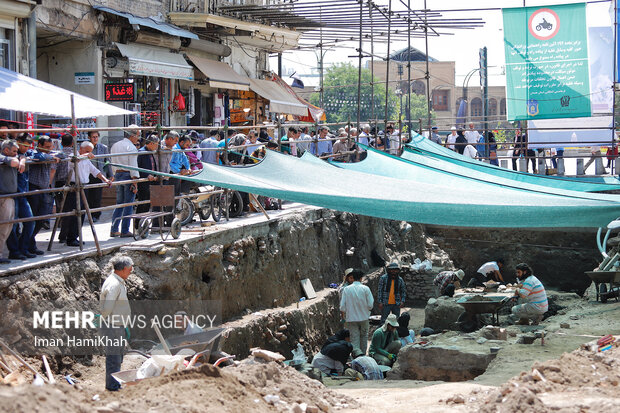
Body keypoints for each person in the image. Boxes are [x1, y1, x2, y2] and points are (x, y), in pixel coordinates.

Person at [63, 142, 111, 246]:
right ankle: (70, 238)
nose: (89, 153)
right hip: (74, 186)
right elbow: (75, 160)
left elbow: (95, 171)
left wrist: (105, 179)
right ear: (81, 149)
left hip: (84, 187)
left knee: (82, 213)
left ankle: (75, 236)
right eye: (87, 151)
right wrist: (85, 155)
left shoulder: (87, 159)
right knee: (74, 213)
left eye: (90, 151)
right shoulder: (73, 155)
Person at [100, 255, 133, 391]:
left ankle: (115, 383)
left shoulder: (117, 281)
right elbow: (107, 308)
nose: (132, 271)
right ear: (124, 268)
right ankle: (113, 387)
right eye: (130, 268)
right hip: (113, 326)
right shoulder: (114, 284)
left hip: (116, 325)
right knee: (114, 357)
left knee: (117, 356)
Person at [26, 136, 60, 255]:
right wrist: (51, 156)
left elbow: (62, 155)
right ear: (39, 145)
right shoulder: (33, 152)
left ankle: (30, 242)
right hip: (34, 188)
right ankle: (28, 244)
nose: (48, 149)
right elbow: (38, 156)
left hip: (44, 189)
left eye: (50, 147)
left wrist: (53, 155)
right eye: (46, 147)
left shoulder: (50, 153)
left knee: (42, 218)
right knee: (33, 218)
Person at [6, 134, 37, 259]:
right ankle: (14, 251)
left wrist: (23, 158)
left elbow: (38, 156)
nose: (25, 148)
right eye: (23, 145)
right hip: (11, 193)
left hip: (22, 193)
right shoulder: (9, 156)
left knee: (30, 221)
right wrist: (21, 158)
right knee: (12, 224)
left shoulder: (25, 154)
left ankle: (23, 248)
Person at [110, 126, 141, 238]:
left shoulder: (115, 145)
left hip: (118, 174)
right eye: (137, 135)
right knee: (128, 204)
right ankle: (124, 230)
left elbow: (112, 162)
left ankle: (114, 229)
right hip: (128, 175)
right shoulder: (131, 148)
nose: (138, 138)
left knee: (120, 203)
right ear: (132, 135)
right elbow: (133, 166)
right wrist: (135, 182)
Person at [0, 140, 26, 264]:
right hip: (3, 196)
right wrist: (20, 161)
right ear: (6, 150)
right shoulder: (2, 157)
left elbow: (21, 157)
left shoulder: (11, 157)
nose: (16, 153)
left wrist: (22, 159)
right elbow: (14, 162)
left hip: (9, 196)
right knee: (3, 226)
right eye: (14, 151)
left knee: (7, 226)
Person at [339, 269, 373, 355]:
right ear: (361, 278)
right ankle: (363, 356)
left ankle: (356, 357)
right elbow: (370, 305)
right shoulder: (366, 289)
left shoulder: (346, 289)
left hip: (351, 319)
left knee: (354, 339)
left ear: (353, 278)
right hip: (364, 318)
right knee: (364, 338)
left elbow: (342, 307)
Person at [85, 131, 112, 222]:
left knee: (97, 196)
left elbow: (107, 162)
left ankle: (96, 215)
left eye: (96, 137)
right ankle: (90, 213)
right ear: (89, 137)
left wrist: (110, 175)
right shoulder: (85, 147)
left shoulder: (103, 148)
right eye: (93, 137)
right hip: (87, 175)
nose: (95, 138)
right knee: (88, 196)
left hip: (99, 175)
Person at [135, 135, 160, 218]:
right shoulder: (142, 152)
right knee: (142, 203)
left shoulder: (150, 152)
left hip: (151, 181)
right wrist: (146, 175)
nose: (157, 146)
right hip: (144, 181)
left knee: (148, 204)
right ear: (151, 143)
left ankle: (143, 223)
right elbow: (138, 167)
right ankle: (138, 224)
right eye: (156, 144)